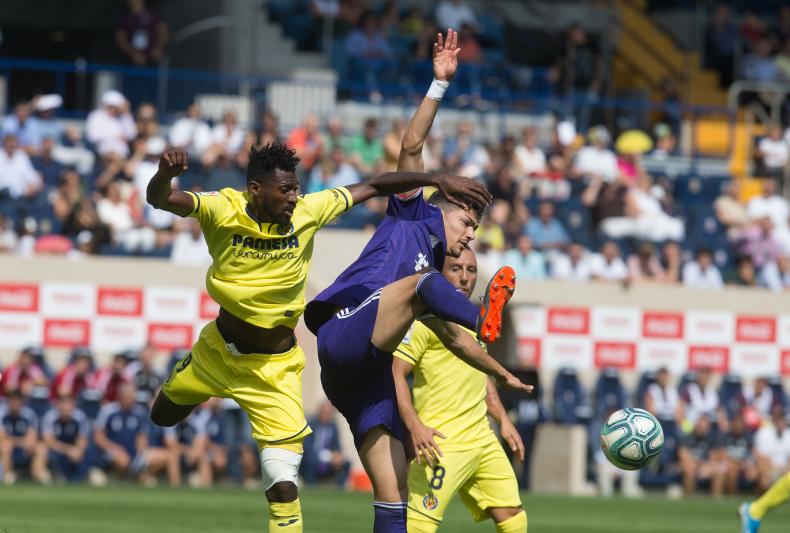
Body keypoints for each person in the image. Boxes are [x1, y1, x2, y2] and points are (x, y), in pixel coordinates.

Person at [146, 32, 492, 532]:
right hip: (218, 350)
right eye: (284, 190)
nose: (293, 198)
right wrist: (162, 176)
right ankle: (185, 382)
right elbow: (163, 200)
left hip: (277, 367)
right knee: (163, 417)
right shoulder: (223, 209)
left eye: (296, 189)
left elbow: (372, 184)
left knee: (284, 484)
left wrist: (440, 177)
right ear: (255, 190)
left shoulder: (310, 209)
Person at [304, 30, 531, 533]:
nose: (470, 234)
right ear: (444, 207)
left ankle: (484, 318)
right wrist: (438, 85)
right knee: (425, 282)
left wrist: (500, 372)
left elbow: (456, 340)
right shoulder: (412, 215)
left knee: (395, 495)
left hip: (360, 377)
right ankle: (484, 315)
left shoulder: (435, 278)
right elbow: (411, 145)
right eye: (467, 222)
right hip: (347, 328)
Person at [393, 247, 528, 533]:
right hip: (442, 443)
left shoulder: (475, 321)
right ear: (439, 274)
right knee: (418, 526)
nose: (465, 277)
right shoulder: (424, 321)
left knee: (513, 517)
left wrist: (502, 419)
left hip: (482, 439)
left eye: (471, 270)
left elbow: (480, 376)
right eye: (456, 269)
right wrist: (414, 425)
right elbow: (395, 373)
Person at [91, 383, 149, 485]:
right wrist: (114, 448)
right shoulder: (108, 411)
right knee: (123, 461)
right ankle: (116, 480)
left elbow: (142, 436)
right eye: (126, 397)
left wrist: (141, 454)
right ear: (120, 396)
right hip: (111, 452)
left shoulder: (140, 412)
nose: (129, 400)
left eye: (131, 397)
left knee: (162, 457)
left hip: (133, 453)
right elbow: (97, 436)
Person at [0, 390, 49, 485]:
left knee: (41, 448)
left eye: (18, 401)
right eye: (13, 401)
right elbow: (1, 437)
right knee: (6, 445)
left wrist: (24, 442)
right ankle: (7, 476)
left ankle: (39, 475)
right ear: (8, 401)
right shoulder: (1, 413)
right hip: (7, 446)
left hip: (23, 446)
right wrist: (21, 441)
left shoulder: (29, 414)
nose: (15, 403)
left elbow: (32, 437)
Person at [41, 394, 91, 483]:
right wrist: (68, 450)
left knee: (88, 451)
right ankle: (47, 477)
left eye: (68, 404)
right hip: (56, 450)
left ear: (73, 405)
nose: (65, 407)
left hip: (74, 451)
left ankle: (83, 477)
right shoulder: (50, 417)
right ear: (58, 405)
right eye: (63, 404)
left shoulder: (80, 417)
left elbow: (83, 439)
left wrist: (78, 450)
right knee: (41, 449)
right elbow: (49, 441)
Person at [301, 400, 350, 487]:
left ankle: (340, 491)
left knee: (346, 463)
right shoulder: (311, 424)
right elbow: (308, 449)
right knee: (310, 461)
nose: (325, 415)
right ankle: (311, 489)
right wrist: (326, 457)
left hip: (329, 460)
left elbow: (337, 446)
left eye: (328, 413)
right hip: (313, 458)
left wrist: (337, 456)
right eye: (324, 412)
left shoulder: (333, 427)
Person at [677, 414, 725, 498]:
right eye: (699, 426)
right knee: (689, 469)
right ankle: (688, 499)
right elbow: (683, 456)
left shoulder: (712, 439)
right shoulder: (687, 437)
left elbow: (714, 458)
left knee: (719, 470)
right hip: (690, 466)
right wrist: (698, 465)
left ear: (708, 428)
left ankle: (715, 500)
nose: (701, 429)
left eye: (704, 427)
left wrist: (702, 466)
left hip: (704, 467)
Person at [753, 408, 790, 492]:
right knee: (764, 479)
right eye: (778, 421)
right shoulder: (764, 434)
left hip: (786, 471)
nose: (780, 424)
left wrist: (786, 471)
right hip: (770, 470)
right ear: (774, 421)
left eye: (782, 421)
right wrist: (776, 470)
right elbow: (762, 460)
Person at [115, 0, 168, 66]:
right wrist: (133, 53)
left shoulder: (152, 14)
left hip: (153, 57)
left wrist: (159, 47)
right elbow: (120, 38)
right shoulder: (125, 17)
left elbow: (163, 31)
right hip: (131, 58)